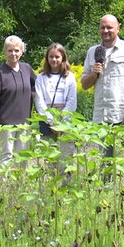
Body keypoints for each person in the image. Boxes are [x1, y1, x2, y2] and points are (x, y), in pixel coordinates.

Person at [81, 14, 124, 157]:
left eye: (109, 27)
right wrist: (94, 73)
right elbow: (85, 84)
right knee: (105, 162)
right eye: (102, 27)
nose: (106, 30)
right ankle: (106, 181)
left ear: (118, 29)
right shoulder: (93, 52)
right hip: (102, 116)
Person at [0, 35, 36, 165]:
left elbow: (37, 85)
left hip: (25, 121)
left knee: (22, 156)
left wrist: (32, 96)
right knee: (7, 156)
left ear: (21, 51)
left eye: (16, 50)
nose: (13, 54)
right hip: (6, 122)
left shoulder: (27, 69)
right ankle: (5, 185)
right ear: (5, 52)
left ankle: (20, 184)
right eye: (10, 50)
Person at [34, 43, 77, 173]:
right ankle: (52, 189)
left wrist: (61, 123)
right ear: (47, 58)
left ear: (63, 58)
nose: (54, 60)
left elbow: (72, 101)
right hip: (47, 117)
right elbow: (39, 101)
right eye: (51, 57)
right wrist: (51, 121)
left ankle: (66, 187)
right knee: (50, 157)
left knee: (66, 156)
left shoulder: (69, 77)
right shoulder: (41, 78)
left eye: (57, 57)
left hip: (65, 118)